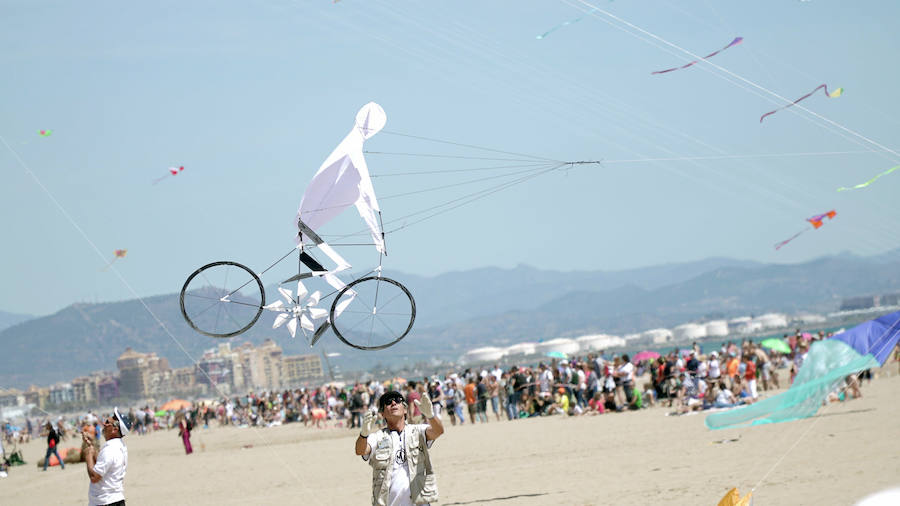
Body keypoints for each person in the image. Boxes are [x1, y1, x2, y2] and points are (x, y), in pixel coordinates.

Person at [355, 390, 444, 506]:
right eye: (388, 402)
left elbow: (438, 431)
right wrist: (363, 433)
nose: (393, 403)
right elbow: (361, 450)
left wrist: (431, 416)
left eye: (398, 400)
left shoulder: (417, 431)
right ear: (382, 413)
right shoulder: (377, 437)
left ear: (405, 409)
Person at [82, 408, 128, 506]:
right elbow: (104, 463)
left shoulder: (110, 449)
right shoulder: (119, 445)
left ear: (115, 429)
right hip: (115, 499)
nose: (104, 424)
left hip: (105, 501)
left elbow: (95, 477)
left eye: (107, 423)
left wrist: (88, 456)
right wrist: (92, 446)